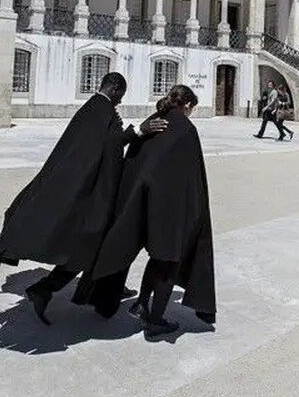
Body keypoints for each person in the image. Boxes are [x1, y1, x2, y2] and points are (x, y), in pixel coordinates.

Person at [0, 72, 166, 324]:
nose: (120, 101)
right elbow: (110, 144)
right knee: (87, 248)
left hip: (86, 191)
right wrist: (138, 131)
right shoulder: (100, 110)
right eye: (120, 95)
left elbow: (103, 144)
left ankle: (102, 289)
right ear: (114, 88)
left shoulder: (96, 108)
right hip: (88, 194)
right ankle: (46, 289)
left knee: (94, 246)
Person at [84, 84, 216, 339]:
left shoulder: (153, 121)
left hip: (142, 201)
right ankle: (155, 321)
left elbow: (136, 159)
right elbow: (191, 177)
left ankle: (142, 303)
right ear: (188, 105)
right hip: (171, 207)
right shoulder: (186, 129)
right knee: (169, 260)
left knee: (158, 257)